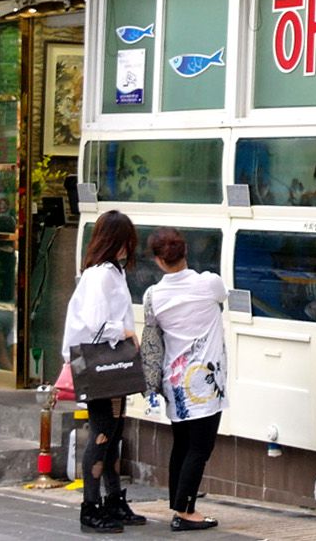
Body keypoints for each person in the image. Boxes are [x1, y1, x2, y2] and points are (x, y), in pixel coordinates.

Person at [62, 210, 146, 534]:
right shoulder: (101, 275)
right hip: (101, 367)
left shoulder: (110, 272)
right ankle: (91, 507)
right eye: (126, 240)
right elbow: (96, 323)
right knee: (102, 434)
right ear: (116, 241)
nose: (129, 247)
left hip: (110, 367)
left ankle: (112, 500)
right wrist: (125, 332)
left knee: (112, 434)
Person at [140, 227, 228, 532]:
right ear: (185, 251)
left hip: (175, 382)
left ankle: (178, 504)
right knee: (200, 448)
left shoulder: (152, 295)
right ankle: (186, 511)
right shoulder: (209, 283)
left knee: (182, 444)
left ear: (157, 260)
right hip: (206, 383)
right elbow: (222, 298)